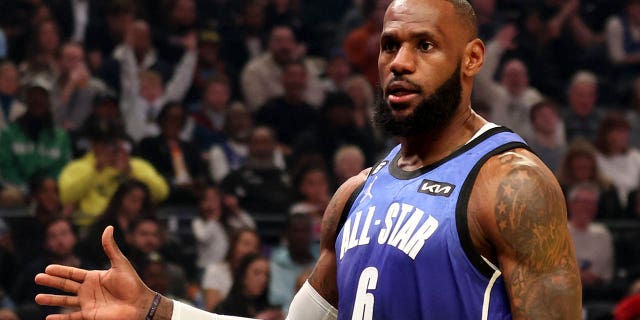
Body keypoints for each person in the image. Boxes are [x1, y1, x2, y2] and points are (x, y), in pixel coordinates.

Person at [34, 1, 582, 319]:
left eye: (425, 46)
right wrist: (156, 309)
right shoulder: (355, 195)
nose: (400, 63)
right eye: (390, 45)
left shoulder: (513, 185)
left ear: (472, 58)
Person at [201, 228, 261, 312]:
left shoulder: (260, 274)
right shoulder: (215, 271)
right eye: (246, 244)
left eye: (255, 247)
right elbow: (212, 311)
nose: (250, 250)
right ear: (234, 245)